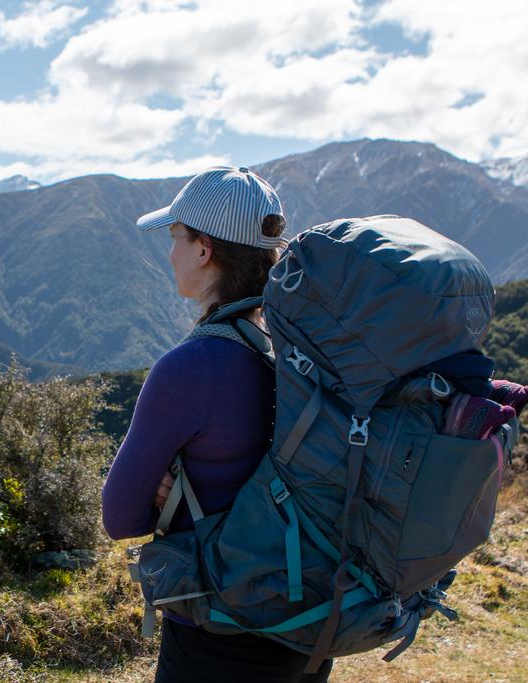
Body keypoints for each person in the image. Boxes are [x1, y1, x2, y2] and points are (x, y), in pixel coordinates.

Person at [101, 166, 333, 682]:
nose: (170, 253)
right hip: (310, 619)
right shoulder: (296, 355)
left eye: (176, 238)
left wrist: (168, 488)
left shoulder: (191, 368)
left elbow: (120, 517)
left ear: (204, 250)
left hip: (221, 627)